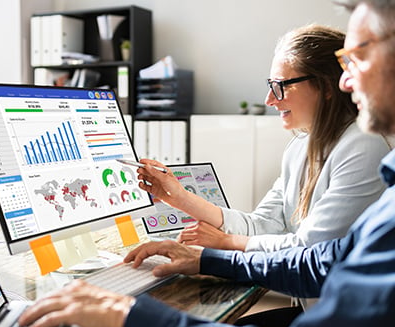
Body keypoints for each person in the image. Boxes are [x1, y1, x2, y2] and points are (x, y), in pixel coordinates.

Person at [19, 1, 395, 327]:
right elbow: (319, 259)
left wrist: (133, 314)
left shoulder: (364, 150)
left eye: (358, 57)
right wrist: (203, 249)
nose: (345, 81)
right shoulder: (310, 153)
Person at [136, 24, 389, 254]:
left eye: (280, 85)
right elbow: (261, 225)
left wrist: (227, 242)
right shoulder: (299, 147)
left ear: (325, 87)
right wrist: (178, 197)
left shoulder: (363, 146)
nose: (269, 99)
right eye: (270, 85)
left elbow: (311, 248)